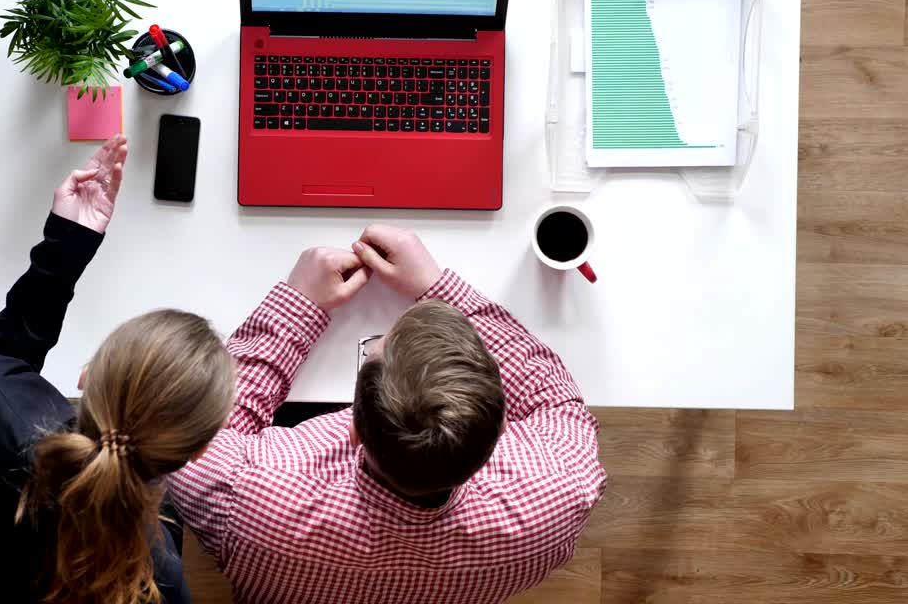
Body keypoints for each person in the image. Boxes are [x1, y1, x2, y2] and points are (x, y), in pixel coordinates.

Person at [169, 224, 607, 604]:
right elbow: (553, 397)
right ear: (500, 433)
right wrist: (440, 287)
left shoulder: (249, 498)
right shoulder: (559, 498)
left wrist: (298, 304)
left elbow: (192, 432)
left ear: (355, 428)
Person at [0, 136, 234, 604]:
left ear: (88, 374)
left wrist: (68, 243)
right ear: (200, 451)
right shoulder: (158, 575)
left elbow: (2, 359)